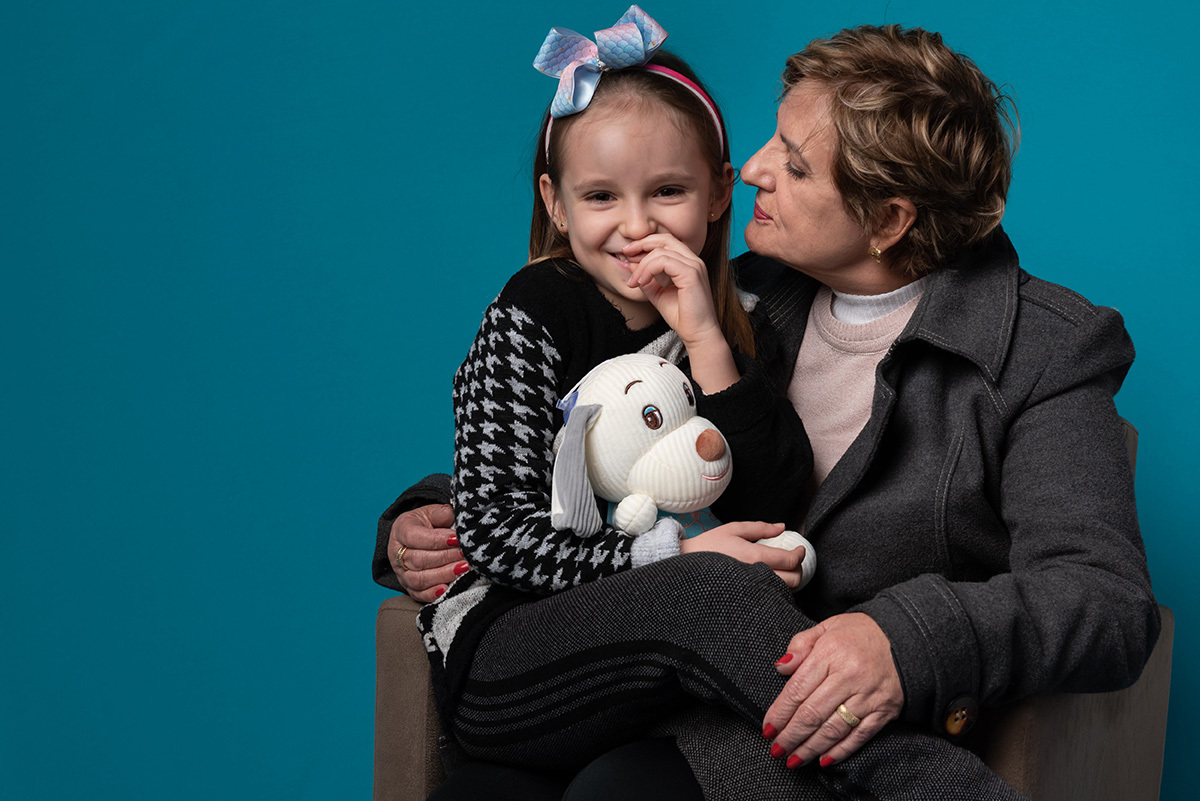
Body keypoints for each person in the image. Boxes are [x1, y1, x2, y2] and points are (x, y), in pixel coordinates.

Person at [376, 22, 1160, 801]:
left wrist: (904, 638)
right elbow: (579, 442)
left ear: (889, 219)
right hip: (642, 674)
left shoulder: (1039, 349)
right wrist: (427, 518)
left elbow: (1106, 601)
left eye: (793, 162)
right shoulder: (736, 293)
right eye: (773, 141)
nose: (752, 170)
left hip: (787, 723)